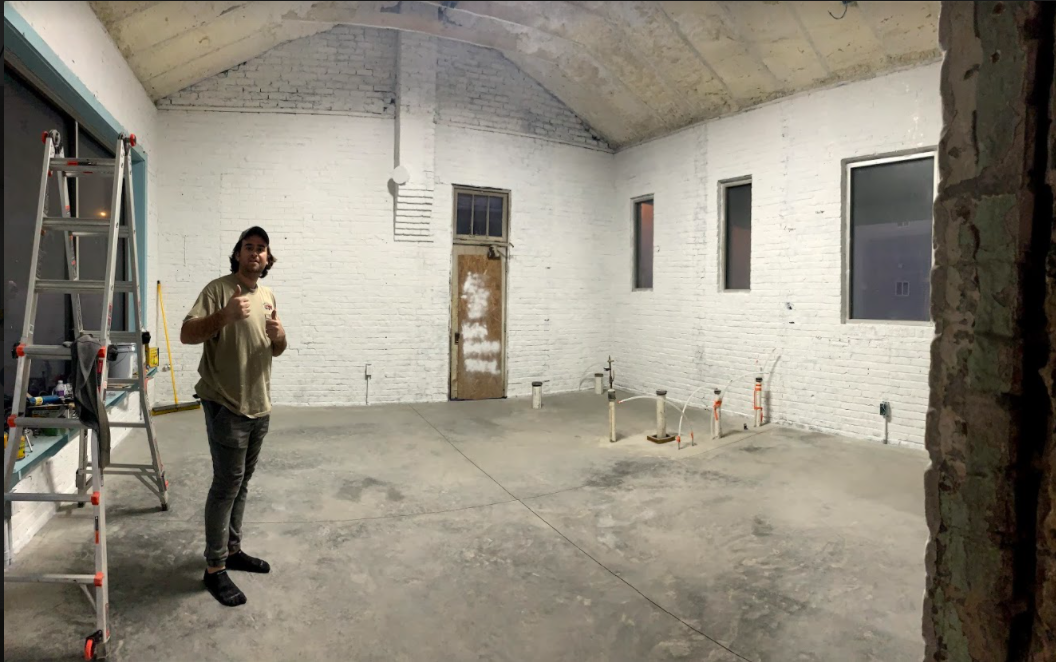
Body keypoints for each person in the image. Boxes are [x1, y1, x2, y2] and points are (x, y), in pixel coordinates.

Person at [180, 226, 287, 607]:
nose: (255, 253)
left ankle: (232, 550)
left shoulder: (268, 295)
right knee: (226, 486)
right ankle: (214, 568)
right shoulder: (218, 290)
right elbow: (187, 334)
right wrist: (224, 316)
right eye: (249, 247)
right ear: (238, 254)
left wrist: (280, 336)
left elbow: (277, 349)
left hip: (259, 404)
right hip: (226, 404)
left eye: (261, 249)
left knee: (241, 484)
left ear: (267, 258)